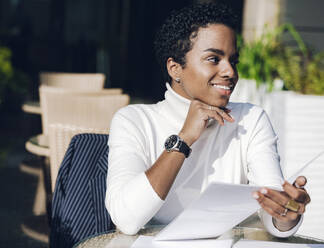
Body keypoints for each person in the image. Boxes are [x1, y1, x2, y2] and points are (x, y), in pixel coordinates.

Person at [105, 3, 310, 237]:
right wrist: (184, 139)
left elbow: (272, 212)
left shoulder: (251, 120)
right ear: (175, 68)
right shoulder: (134, 121)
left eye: (233, 61)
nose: (230, 72)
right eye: (214, 59)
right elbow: (126, 219)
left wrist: (287, 214)